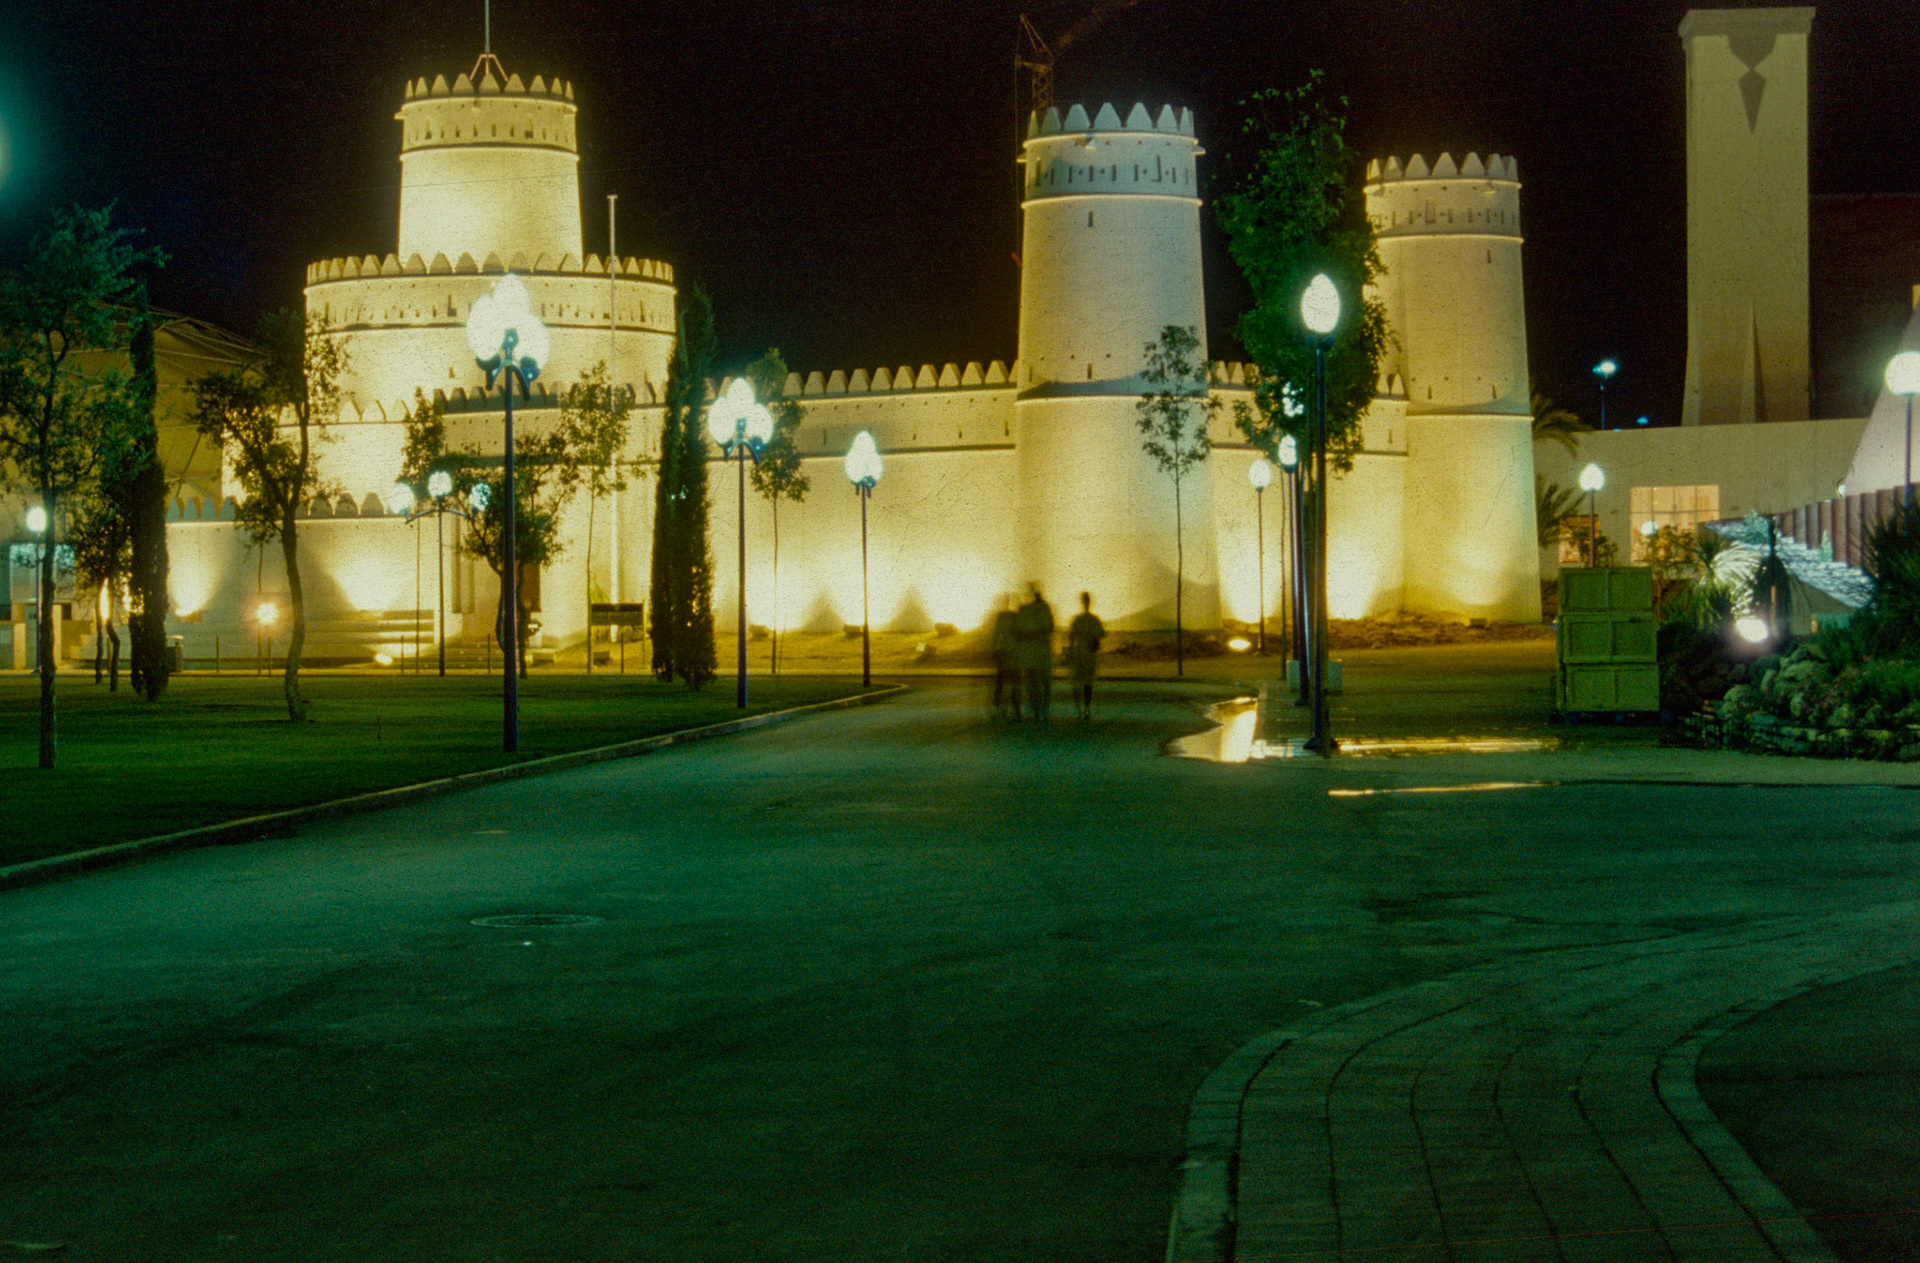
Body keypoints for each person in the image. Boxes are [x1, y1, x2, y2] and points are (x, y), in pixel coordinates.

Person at [1013, 583, 1055, 722]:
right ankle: (1041, 711)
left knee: (1034, 682)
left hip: (1033, 652)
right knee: (1042, 683)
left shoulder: (1027, 610)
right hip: (1038, 651)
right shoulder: (1041, 608)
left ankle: (1035, 710)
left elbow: (1019, 632)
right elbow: (1049, 628)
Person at [1064, 591, 1104, 720]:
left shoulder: (1080, 620)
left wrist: (1069, 652)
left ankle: (1082, 709)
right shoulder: (1092, 619)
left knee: (1082, 683)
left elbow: (1072, 637)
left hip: (1084, 653)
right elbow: (1101, 634)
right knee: (1085, 683)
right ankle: (1083, 709)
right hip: (1086, 654)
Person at [990, 594, 1022, 720]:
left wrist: (993, 649)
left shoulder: (1001, 616)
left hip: (1004, 651)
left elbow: (996, 633)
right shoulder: (1016, 616)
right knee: (1014, 681)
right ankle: (1016, 710)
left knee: (1001, 682)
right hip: (1015, 652)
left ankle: (1000, 709)